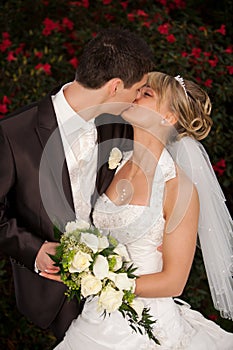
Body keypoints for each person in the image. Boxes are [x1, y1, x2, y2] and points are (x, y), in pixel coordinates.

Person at [49, 72, 233, 349]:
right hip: (93, 317)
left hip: (144, 325)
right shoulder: (112, 163)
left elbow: (173, 282)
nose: (134, 94)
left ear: (169, 118)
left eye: (147, 94)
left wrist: (100, 279)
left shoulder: (178, 189)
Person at [0, 28, 155, 341]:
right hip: (47, 304)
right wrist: (34, 250)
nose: (139, 98)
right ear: (115, 86)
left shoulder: (122, 127)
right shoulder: (12, 133)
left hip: (115, 300)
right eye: (138, 89)